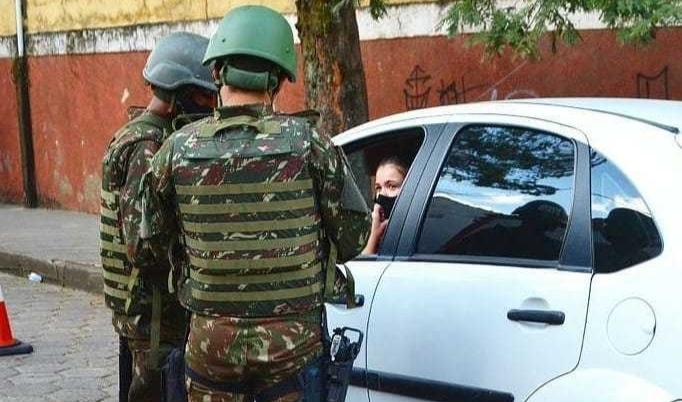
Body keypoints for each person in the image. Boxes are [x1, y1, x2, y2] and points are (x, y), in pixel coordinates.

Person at [133, 5, 371, 402]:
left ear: (216, 73)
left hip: (211, 345)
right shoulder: (311, 145)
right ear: (278, 80)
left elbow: (148, 246)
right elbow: (353, 237)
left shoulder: (176, 149)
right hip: (292, 348)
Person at [99, 31, 217, 402]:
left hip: (146, 310)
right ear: (178, 92)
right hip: (152, 315)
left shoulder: (150, 134)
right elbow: (142, 246)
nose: (211, 103)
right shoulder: (147, 146)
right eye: (202, 95)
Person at [361, 156, 408, 255]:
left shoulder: (413, 228)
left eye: (391, 186)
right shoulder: (373, 227)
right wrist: (374, 235)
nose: (382, 195)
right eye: (378, 188)